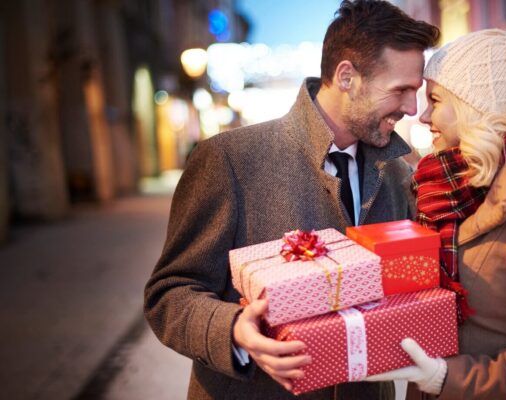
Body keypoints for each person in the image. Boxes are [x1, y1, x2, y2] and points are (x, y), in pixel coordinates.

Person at [143, 1, 439, 399]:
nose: (411, 108)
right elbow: (170, 294)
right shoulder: (229, 160)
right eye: (401, 90)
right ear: (347, 76)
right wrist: (233, 330)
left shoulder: (398, 174)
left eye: (416, 92)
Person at [367, 15, 506, 399]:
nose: (422, 117)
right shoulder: (433, 192)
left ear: (476, 107)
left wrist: (444, 377)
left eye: (435, 101)